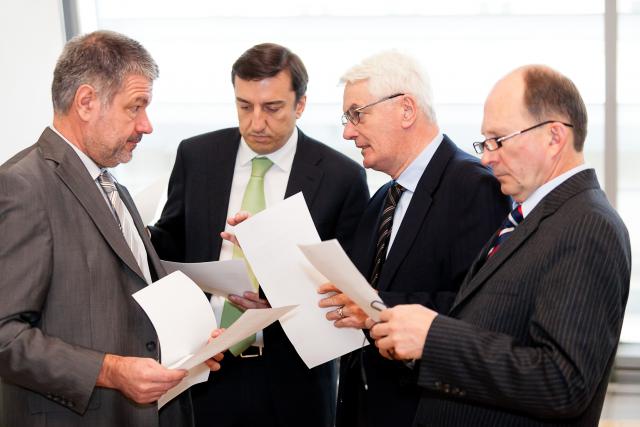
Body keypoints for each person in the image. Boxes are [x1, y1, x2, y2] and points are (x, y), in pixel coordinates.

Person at [368, 65, 632, 426]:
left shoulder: (587, 225)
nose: (487, 157)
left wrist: (435, 338)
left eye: (499, 140)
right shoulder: (528, 218)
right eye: (485, 142)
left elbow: (562, 383)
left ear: (554, 137)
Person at [0, 30, 223, 427]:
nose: (147, 125)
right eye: (135, 107)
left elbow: (131, 292)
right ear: (86, 102)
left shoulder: (111, 184)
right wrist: (111, 371)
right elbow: (5, 336)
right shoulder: (22, 186)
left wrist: (194, 336)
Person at [149, 42, 369, 427]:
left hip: (294, 378)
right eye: (244, 106)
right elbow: (167, 244)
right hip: (206, 365)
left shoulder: (341, 177)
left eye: (272, 108)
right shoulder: (196, 157)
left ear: (300, 105)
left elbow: (351, 283)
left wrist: (279, 289)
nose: (255, 123)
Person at [317, 51, 511, 427]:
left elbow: (480, 312)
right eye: (347, 119)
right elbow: (348, 295)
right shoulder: (380, 203)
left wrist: (376, 307)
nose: (347, 132)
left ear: (406, 109)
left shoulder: (474, 186)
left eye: (357, 114)